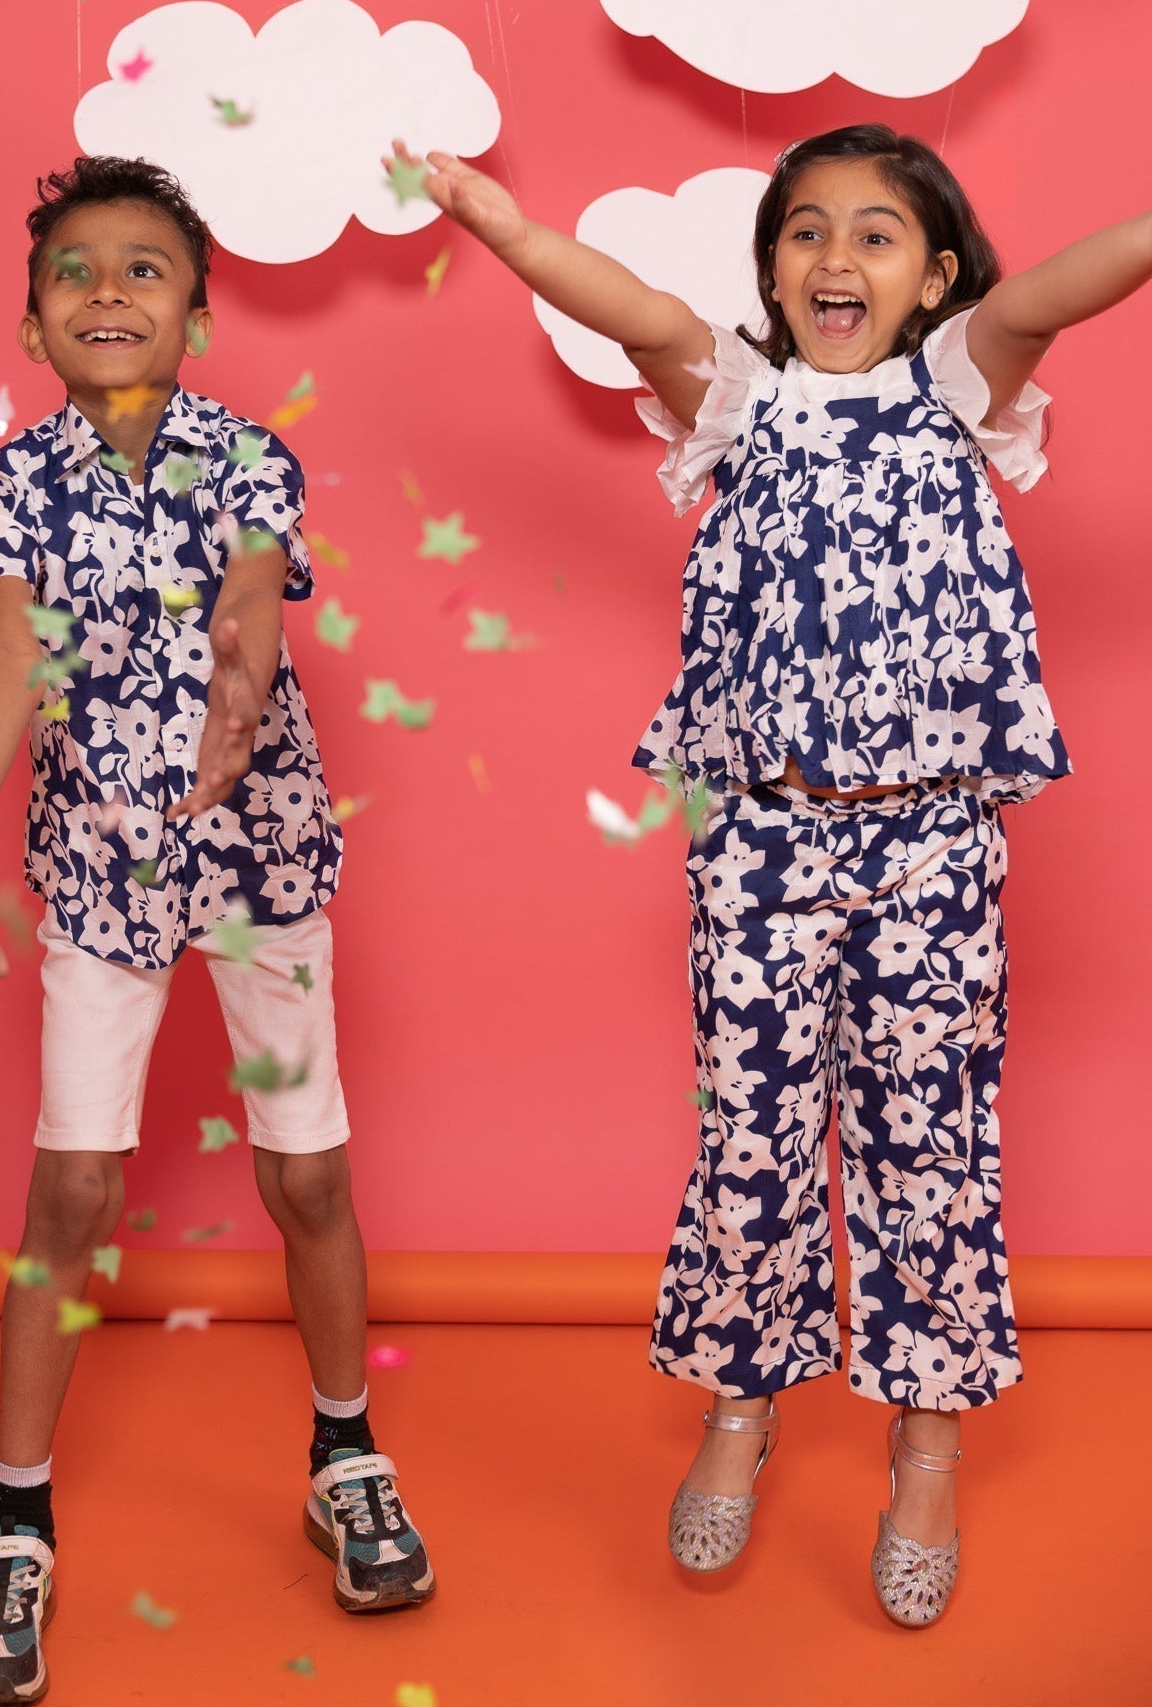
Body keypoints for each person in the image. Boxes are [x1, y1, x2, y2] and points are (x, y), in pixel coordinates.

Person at [393, 121, 1147, 1628]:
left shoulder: (955, 386)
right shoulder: (740, 405)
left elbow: (1054, 292)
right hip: (760, 839)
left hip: (930, 842)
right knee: (752, 1135)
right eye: (805, 231)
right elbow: (633, 311)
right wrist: (500, 224)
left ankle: (924, 1448)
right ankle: (739, 1408)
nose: (835, 256)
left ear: (934, 277)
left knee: (927, 1143)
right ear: (774, 271)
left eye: (875, 234)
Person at [0, 155, 434, 1706]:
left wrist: (241, 662)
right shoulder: (13, 487)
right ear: (32, 325)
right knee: (72, 1193)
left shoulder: (250, 456)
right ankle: (14, 1518)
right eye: (75, 271)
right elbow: (5, 650)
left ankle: (344, 1453)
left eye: (143, 269)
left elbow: (253, 582)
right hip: (103, 873)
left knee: (308, 1176)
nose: (107, 290)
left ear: (196, 316)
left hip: (259, 866)